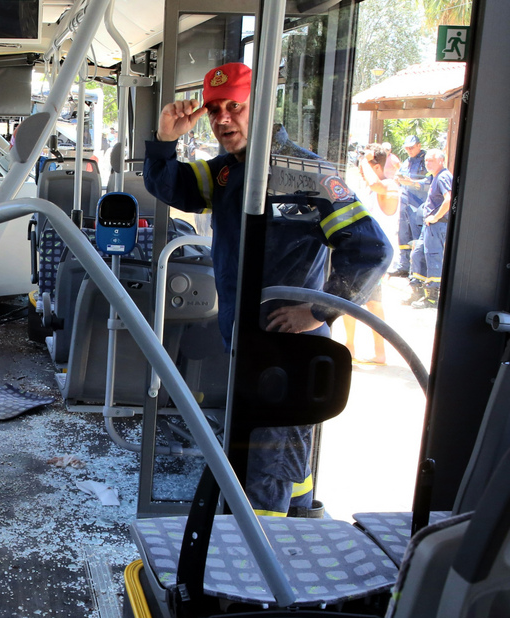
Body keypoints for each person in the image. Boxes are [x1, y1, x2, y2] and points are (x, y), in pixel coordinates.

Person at [143, 62, 391, 516]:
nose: (223, 119)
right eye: (214, 109)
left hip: (287, 350)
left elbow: (371, 250)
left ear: (261, 106)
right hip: (250, 344)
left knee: (264, 467)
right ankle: (300, 519)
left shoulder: (307, 174)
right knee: (282, 456)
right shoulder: (228, 173)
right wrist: (164, 140)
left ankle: (257, 549)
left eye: (235, 107)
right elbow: (172, 186)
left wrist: (316, 311)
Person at [407, 149, 453, 308]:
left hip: (437, 225)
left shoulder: (443, 176)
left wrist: (436, 217)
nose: (427, 163)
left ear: (441, 161)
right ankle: (417, 292)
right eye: (426, 160)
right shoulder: (435, 177)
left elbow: (449, 199)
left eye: (431, 160)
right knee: (418, 254)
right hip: (428, 226)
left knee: (433, 258)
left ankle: (432, 298)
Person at [392, 134, 429, 276]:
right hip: (405, 203)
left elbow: (430, 181)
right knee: (403, 235)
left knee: (417, 237)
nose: (409, 150)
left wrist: (413, 183)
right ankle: (404, 266)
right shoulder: (407, 161)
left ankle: (418, 272)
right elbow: (399, 176)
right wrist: (397, 179)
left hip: (418, 204)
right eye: (407, 148)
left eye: (411, 147)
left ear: (419, 145)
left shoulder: (426, 161)